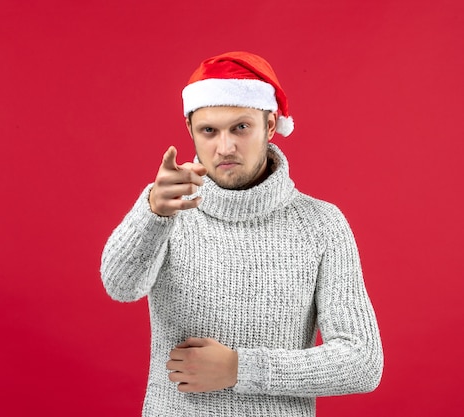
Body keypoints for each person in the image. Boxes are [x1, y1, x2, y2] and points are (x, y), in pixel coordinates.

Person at [100, 51, 383, 417]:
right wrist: (152, 214)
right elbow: (120, 287)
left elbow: (362, 361)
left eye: (240, 127)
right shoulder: (166, 207)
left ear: (269, 125)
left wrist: (241, 369)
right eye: (209, 130)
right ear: (190, 130)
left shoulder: (321, 224)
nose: (225, 147)